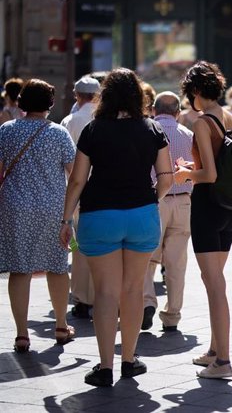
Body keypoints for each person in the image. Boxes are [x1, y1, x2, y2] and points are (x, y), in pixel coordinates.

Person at [60, 68, 173, 387]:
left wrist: (66, 219)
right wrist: (152, 198)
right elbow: (166, 176)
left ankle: (106, 366)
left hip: (99, 216)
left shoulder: (94, 129)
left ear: (105, 96)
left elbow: (78, 179)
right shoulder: (152, 128)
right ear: (138, 96)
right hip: (141, 215)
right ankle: (129, 360)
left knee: (106, 293)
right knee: (133, 289)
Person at [173, 61, 232, 379]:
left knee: (214, 284)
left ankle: (223, 362)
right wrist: (195, 165)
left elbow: (208, 174)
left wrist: (186, 173)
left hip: (207, 206)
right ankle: (215, 350)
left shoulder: (202, 122)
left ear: (196, 92)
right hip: (229, 209)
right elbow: (222, 165)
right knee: (214, 280)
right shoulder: (229, 117)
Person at [0, 79, 76, 353]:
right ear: (50, 105)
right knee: (57, 265)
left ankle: (22, 334)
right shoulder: (58, 134)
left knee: (20, 270)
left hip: (14, 208)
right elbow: (74, 173)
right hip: (53, 210)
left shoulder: (6, 131)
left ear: (20, 103)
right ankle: (60, 325)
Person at [142, 92, 194, 333]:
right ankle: (172, 314)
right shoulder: (189, 135)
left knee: (146, 257)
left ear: (153, 109)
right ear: (178, 112)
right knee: (176, 263)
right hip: (183, 201)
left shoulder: (148, 131)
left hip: (154, 199)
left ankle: (146, 302)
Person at [60, 75, 101, 319]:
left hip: (77, 190)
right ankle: (101, 293)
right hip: (105, 189)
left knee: (78, 246)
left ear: (77, 95)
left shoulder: (70, 120)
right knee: (103, 245)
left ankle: (82, 297)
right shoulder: (108, 117)